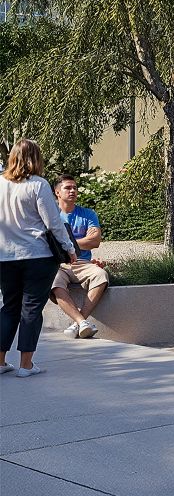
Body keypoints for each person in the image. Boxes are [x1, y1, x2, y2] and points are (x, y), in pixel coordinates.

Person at [0, 140, 77, 377]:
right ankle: (26, 365)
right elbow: (53, 222)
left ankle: (1, 362)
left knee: (9, 307)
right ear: (36, 158)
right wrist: (69, 249)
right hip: (37, 255)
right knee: (31, 308)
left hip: (5, 256)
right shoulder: (38, 185)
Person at [48, 175, 110, 338]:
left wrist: (64, 240)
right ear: (57, 192)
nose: (73, 191)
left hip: (83, 262)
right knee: (53, 281)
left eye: (75, 188)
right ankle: (81, 322)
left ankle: (79, 322)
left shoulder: (88, 214)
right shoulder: (50, 215)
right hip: (60, 263)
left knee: (100, 275)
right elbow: (47, 243)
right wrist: (83, 240)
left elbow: (95, 241)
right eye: (68, 188)